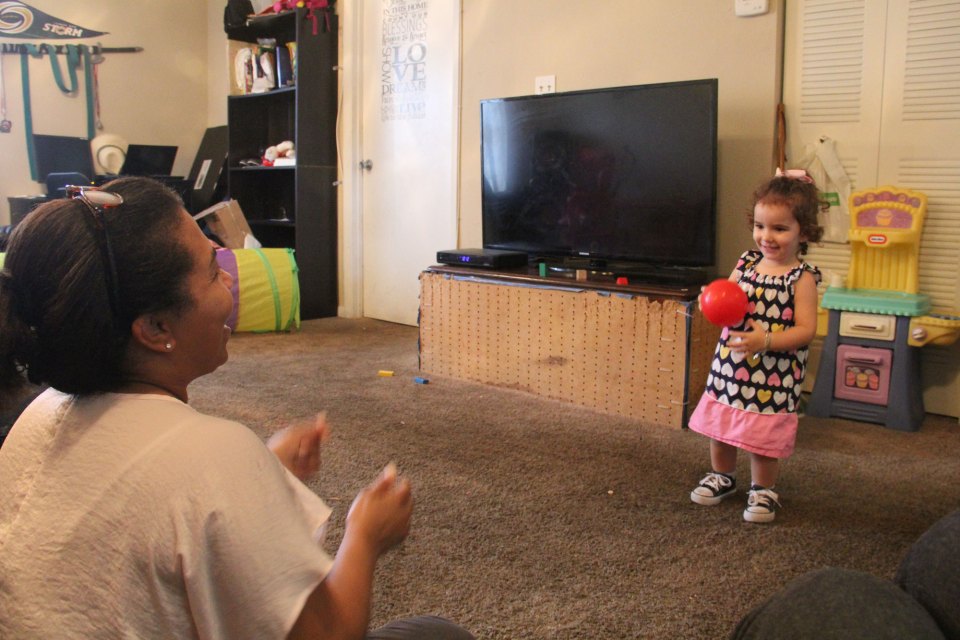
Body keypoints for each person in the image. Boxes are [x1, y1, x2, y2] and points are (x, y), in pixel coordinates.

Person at [0, 177, 473, 640]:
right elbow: (325, 633)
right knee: (439, 634)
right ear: (155, 327)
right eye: (211, 270)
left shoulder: (38, 415)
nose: (229, 279)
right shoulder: (213, 455)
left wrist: (262, 473)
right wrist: (365, 537)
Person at [687, 169, 824, 524]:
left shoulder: (802, 277)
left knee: (762, 437)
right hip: (732, 366)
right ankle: (723, 476)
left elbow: (807, 330)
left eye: (780, 228)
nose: (767, 236)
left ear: (803, 232)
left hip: (773, 375)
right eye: (761, 226)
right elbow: (728, 301)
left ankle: (763, 489)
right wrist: (710, 299)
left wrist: (765, 340)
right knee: (723, 425)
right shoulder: (746, 263)